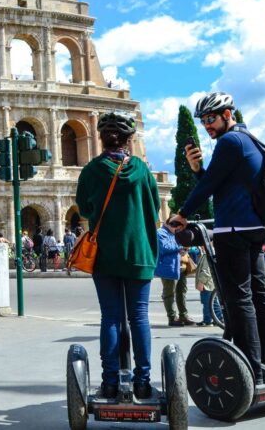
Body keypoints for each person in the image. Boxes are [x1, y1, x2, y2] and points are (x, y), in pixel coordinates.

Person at [169, 91, 265, 387]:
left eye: (211, 118)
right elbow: (221, 184)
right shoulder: (249, 140)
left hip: (233, 231)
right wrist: (197, 170)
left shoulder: (230, 141)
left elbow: (210, 185)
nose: (207, 125)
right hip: (255, 229)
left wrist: (182, 214)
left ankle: (252, 371)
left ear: (228, 114)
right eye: (204, 120)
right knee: (260, 295)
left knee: (239, 300)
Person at [75, 112, 160, 399]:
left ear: (101, 139)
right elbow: (156, 204)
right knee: (139, 317)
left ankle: (110, 381)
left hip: (105, 255)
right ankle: (143, 381)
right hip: (139, 252)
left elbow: (85, 210)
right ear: (128, 140)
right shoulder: (141, 169)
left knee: (110, 317)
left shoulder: (91, 170)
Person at [155, 222, 194, 327]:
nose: (178, 230)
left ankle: (183, 315)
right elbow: (164, 247)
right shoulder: (160, 232)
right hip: (169, 268)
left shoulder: (174, 233)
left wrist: (184, 249)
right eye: (177, 228)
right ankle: (172, 318)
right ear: (169, 224)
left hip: (180, 266)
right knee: (169, 293)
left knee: (182, 292)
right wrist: (180, 247)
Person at [194, 246, 223, 327]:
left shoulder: (208, 254)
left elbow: (206, 270)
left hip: (207, 284)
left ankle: (218, 319)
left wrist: (201, 282)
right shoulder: (207, 253)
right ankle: (209, 320)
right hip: (209, 283)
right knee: (208, 302)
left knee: (210, 303)